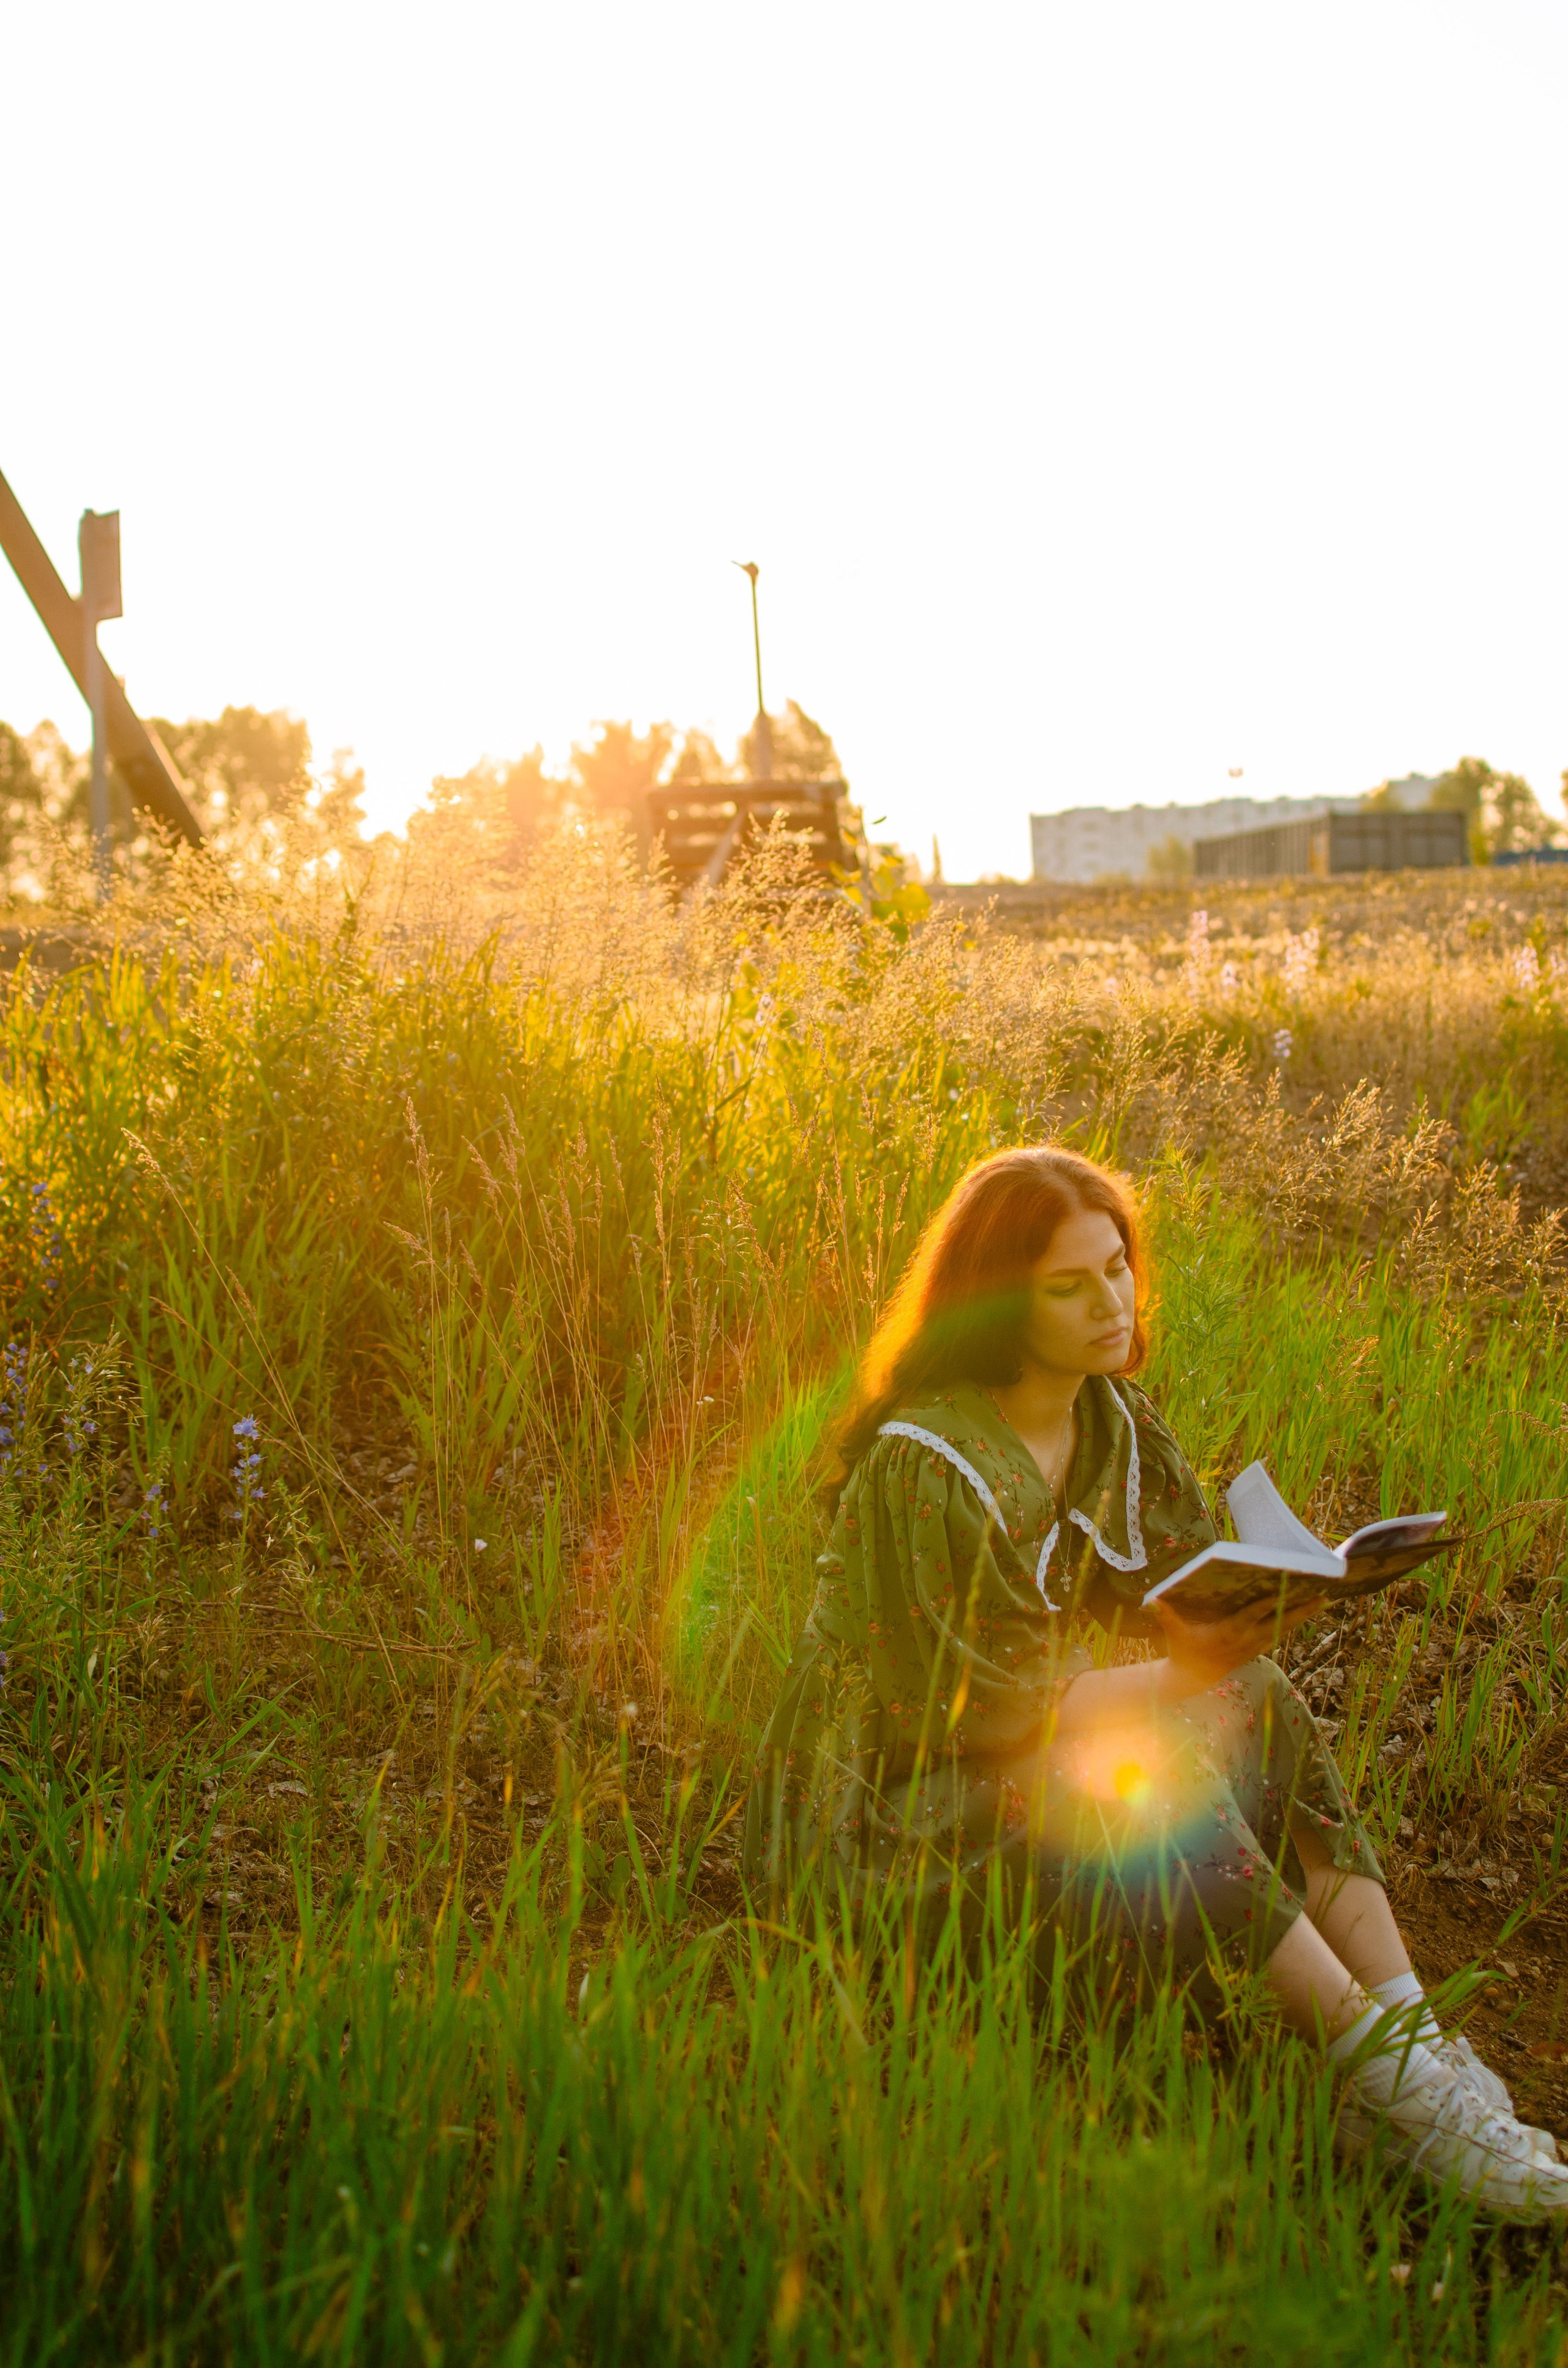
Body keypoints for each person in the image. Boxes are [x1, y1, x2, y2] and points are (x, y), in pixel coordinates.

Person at [743, 1145, 1568, 2220]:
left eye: (1118, 1265)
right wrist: (1179, 1674)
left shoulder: (1111, 1422)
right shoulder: (928, 1460)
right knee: (1143, 1760)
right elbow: (981, 1716)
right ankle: (1405, 2091)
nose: (1111, 1299)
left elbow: (1171, 1597)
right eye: (1068, 1282)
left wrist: (1261, 1609)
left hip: (1014, 1751)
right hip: (889, 1808)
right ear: (999, 1295)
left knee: (1256, 1690)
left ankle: (1408, 2050)